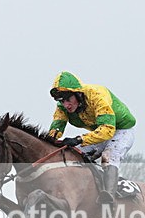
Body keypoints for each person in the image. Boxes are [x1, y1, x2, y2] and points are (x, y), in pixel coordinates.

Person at [48, 71, 136, 204]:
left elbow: (107, 130)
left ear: (78, 94)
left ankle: (109, 196)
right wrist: (51, 142)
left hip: (120, 130)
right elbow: (57, 127)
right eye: (62, 101)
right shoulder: (62, 107)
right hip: (100, 131)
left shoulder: (97, 96)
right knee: (73, 154)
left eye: (68, 99)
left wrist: (78, 139)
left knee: (109, 156)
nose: (66, 105)